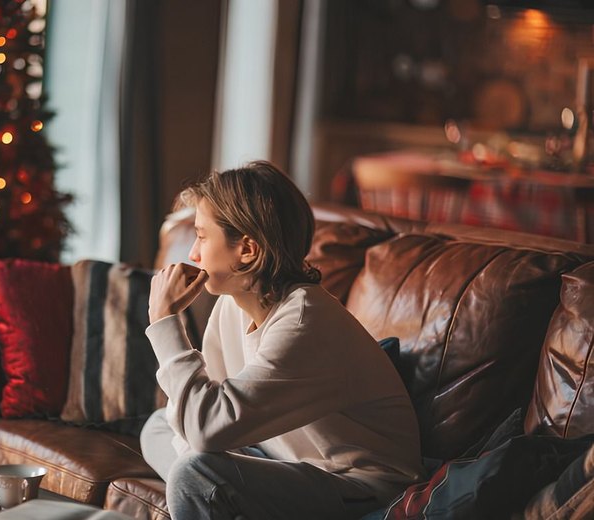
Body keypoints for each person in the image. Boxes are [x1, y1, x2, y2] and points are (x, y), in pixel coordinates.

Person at [140, 161, 425, 519]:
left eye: (201, 235)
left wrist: (165, 322)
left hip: (359, 486)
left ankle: (221, 498)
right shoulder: (234, 304)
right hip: (279, 456)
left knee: (193, 472)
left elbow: (206, 427)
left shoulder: (307, 322)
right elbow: (201, 414)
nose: (193, 254)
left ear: (247, 250)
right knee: (158, 425)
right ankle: (226, 499)